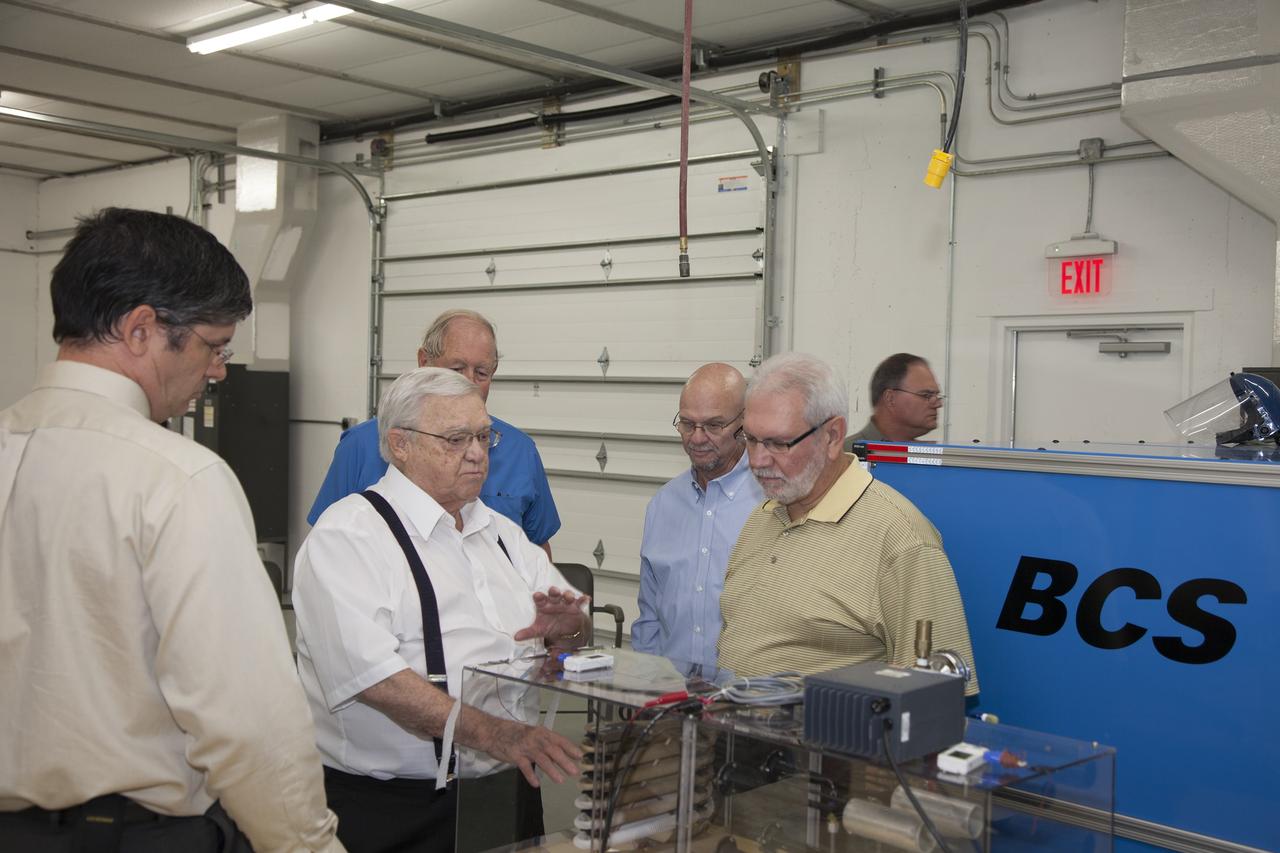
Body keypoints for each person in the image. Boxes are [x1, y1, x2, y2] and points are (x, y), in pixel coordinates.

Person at [0, 208, 343, 852]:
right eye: (214, 346)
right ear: (140, 329)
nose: (218, 371)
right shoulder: (177, 479)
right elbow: (247, 725)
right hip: (129, 836)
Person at [294, 367, 589, 853]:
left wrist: (570, 631)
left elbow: (573, 636)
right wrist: (497, 734)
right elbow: (376, 679)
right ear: (401, 444)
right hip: (394, 809)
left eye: (482, 436)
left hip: (508, 785)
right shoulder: (348, 536)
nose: (477, 453)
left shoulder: (504, 536)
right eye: (455, 439)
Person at [718, 352, 978, 695]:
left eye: (779, 443)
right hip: (729, 736)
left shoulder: (902, 540)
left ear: (832, 436)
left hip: (822, 745)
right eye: (750, 439)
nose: (757, 460)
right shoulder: (763, 516)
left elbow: (938, 697)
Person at [307, 309, 560, 556]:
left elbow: (537, 548)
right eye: (456, 369)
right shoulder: (363, 445)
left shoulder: (519, 450)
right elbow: (325, 546)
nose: (468, 383)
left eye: (481, 373)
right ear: (424, 362)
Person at [632, 363, 763, 671]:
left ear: (744, 423)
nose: (697, 438)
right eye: (687, 424)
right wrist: (649, 692)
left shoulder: (771, 504)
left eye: (714, 425)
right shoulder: (663, 505)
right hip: (671, 702)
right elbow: (649, 615)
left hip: (746, 703)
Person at [844, 352, 944, 447]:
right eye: (926, 395)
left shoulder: (931, 459)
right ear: (890, 399)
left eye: (937, 396)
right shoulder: (843, 458)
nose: (938, 404)